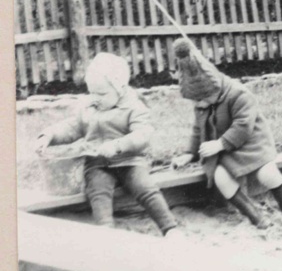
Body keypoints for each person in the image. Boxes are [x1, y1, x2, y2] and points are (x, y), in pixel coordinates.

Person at [34, 53, 180, 237]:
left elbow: (143, 134)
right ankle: (106, 231)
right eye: (91, 92)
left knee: (145, 188)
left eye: (101, 93)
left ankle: (169, 228)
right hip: (98, 162)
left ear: (120, 88)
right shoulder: (88, 107)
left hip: (129, 160)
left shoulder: (134, 107)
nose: (95, 98)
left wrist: (118, 145)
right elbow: (72, 127)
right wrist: (49, 135)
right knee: (97, 191)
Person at [171, 39, 282, 228]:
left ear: (215, 88)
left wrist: (219, 144)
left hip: (251, 142)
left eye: (202, 100)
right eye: (195, 102)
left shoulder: (238, 94)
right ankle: (254, 214)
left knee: (267, 172)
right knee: (221, 177)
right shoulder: (202, 103)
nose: (199, 105)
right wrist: (189, 153)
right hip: (225, 151)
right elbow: (198, 129)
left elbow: (243, 125)